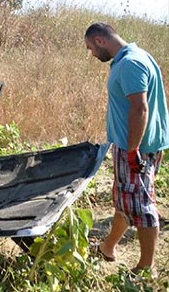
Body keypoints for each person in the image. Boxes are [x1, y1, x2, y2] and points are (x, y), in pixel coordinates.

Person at [85, 22, 168, 278]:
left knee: (142, 206)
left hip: (135, 147)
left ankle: (146, 268)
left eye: (90, 48)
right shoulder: (136, 56)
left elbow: (140, 109)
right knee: (125, 198)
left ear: (100, 40)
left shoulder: (130, 63)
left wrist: (133, 151)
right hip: (138, 144)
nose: (91, 54)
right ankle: (108, 247)